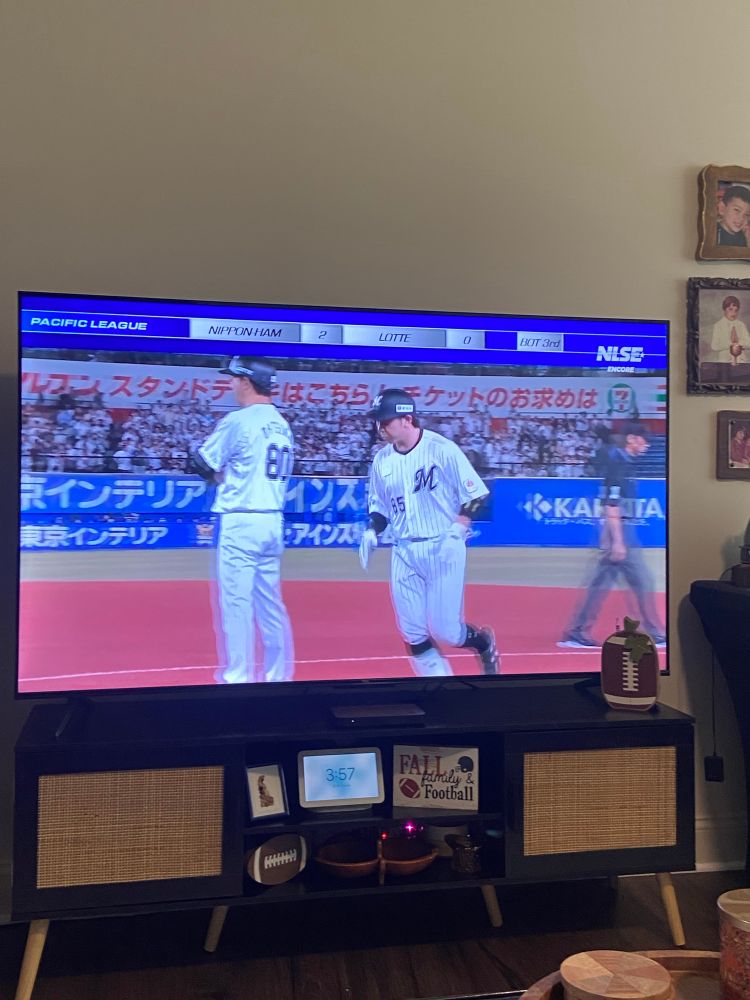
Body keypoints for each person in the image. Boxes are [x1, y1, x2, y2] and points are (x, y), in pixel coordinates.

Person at [358, 388, 499, 677]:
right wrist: (373, 530)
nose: (379, 427)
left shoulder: (441, 449)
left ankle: (483, 643)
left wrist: (459, 528)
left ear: (407, 419)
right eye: (378, 421)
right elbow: (380, 505)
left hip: (442, 545)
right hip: (403, 550)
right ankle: (440, 687)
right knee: (412, 631)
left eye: (385, 421)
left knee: (447, 630)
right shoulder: (381, 460)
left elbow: (476, 494)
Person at [194, 356, 295, 684]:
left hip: (242, 519)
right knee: (270, 604)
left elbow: (201, 461)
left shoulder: (239, 420)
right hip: (272, 521)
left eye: (234, 379)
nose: (231, 384)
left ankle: (237, 677)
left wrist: (219, 477)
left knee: (236, 604)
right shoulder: (282, 423)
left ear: (247, 381)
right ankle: (278, 676)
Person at [558, 420, 666, 648]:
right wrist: (617, 541)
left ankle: (577, 632)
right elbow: (611, 504)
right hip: (621, 531)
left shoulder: (622, 462)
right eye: (643, 440)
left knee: (600, 585)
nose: (647, 445)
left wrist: (608, 537)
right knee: (643, 581)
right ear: (631, 439)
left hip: (617, 530)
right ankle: (654, 633)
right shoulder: (619, 464)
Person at [711, 295, 750, 365]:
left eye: (736, 310)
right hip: (724, 362)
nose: (733, 313)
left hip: (741, 361)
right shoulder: (718, 326)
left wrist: (739, 344)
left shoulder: (741, 325)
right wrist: (730, 344)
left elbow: (749, 343)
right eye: (730, 309)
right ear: (724, 309)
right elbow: (714, 346)